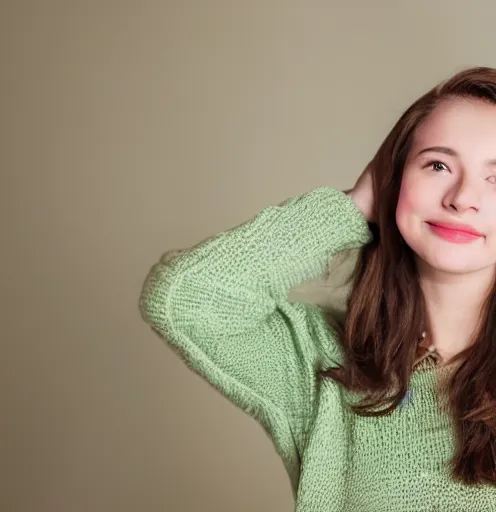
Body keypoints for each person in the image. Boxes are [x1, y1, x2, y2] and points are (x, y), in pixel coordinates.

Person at [139, 66, 496, 511]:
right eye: (438, 165)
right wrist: (357, 202)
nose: (462, 197)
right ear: (394, 176)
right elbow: (183, 299)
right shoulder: (323, 364)